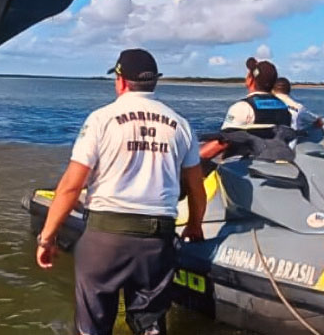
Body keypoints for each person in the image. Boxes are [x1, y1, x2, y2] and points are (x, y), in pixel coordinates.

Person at [36, 48, 206, 335]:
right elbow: (196, 187)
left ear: (121, 81)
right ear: (154, 82)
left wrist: (47, 237)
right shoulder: (181, 125)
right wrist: (194, 225)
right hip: (157, 240)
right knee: (150, 326)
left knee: (93, 326)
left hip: (105, 238)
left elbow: (71, 186)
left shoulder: (102, 119)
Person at [220, 58, 296, 146]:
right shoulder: (284, 108)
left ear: (250, 80)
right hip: (278, 155)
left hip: (249, 157)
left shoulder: (242, 108)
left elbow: (223, 142)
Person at [274, 77, 324, 143]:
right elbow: (318, 121)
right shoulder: (298, 107)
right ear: (289, 90)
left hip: (270, 141)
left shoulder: (263, 104)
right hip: (290, 142)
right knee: (315, 125)